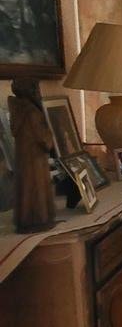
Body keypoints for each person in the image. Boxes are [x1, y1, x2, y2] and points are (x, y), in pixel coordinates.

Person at [9, 77, 56, 232]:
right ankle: (37, 219)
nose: (39, 93)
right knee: (36, 189)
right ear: (30, 91)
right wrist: (52, 136)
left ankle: (26, 219)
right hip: (35, 158)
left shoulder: (18, 109)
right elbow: (43, 138)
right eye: (36, 89)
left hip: (24, 157)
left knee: (26, 188)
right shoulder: (32, 112)